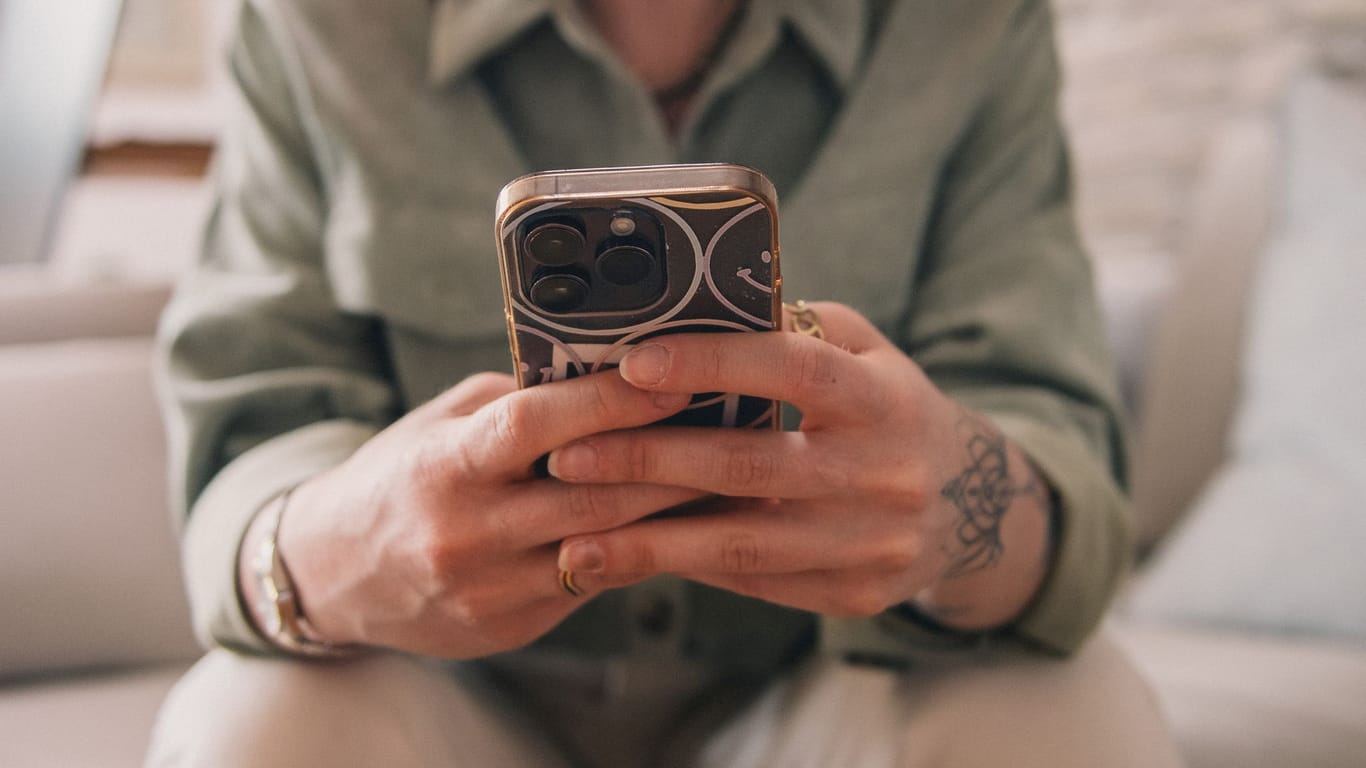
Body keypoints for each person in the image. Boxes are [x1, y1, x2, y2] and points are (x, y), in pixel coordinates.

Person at [146, 1, 1182, 766]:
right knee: (249, 734)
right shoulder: (318, 23)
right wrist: (338, 549)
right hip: (447, 696)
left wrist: (955, 502)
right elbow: (253, 431)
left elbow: (1060, 477)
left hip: (824, 686)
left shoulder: (966, 26)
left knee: (1073, 719)